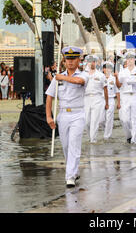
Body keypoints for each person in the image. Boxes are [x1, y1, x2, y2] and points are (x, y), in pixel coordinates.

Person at [45, 46, 88, 188]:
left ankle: (69, 176)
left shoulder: (83, 74)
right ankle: (73, 171)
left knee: (74, 144)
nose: (70, 62)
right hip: (63, 114)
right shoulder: (58, 78)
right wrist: (49, 116)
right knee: (65, 146)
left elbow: (79, 82)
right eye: (68, 59)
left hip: (78, 114)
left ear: (78, 60)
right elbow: (50, 97)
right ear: (64, 61)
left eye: (73, 59)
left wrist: (62, 77)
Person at [84, 55, 108, 143]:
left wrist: (107, 102)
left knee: (94, 121)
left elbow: (105, 89)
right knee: (86, 121)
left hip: (97, 98)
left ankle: (93, 140)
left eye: (93, 61)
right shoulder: (83, 74)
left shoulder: (101, 75)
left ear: (96, 62)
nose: (91, 63)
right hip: (86, 99)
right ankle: (90, 137)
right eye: (90, 61)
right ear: (87, 62)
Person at [116, 51, 136, 143]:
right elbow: (119, 86)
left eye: (131, 59)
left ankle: (134, 138)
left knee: (134, 119)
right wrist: (116, 77)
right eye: (128, 59)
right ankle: (129, 135)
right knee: (124, 119)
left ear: (134, 60)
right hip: (125, 96)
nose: (129, 61)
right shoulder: (122, 72)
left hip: (135, 96)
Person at [102, 61, 119, 140]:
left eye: (109, 68)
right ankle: (105, 130)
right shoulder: (100, 77)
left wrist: (119, 102)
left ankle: (107, 136)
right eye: (106, 68)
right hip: (101, 99)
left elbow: (117, 91)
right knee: (101, 119)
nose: (107, 70)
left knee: (109, 118)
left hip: (111, 99)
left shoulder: (114, 78)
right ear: (103, 69)